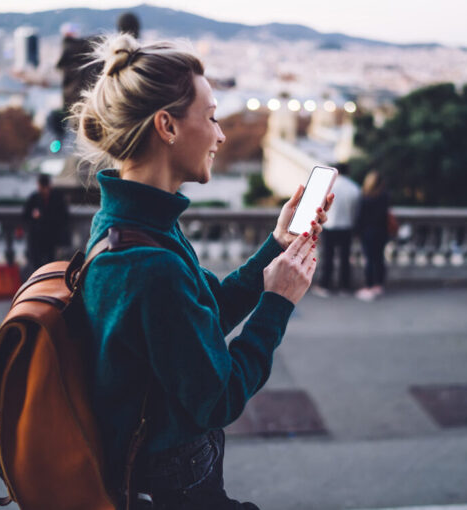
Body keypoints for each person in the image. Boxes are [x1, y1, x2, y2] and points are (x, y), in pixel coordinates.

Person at [72, 34, 333, 510]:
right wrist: (277, 304)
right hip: (174, 483)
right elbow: (218, 400)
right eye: (211, 117)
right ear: (167, 126)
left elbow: (203, 314)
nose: (221, 135)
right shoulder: (150, 264)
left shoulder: (127, 226)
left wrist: (275, 247)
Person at [313, 163, 360, 297]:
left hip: (329, 225)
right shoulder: (354, 188)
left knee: (328, 257)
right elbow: (356, 211)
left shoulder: (329, 187)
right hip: (347, 226)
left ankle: (325, 285)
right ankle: (344, 286)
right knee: (345, 258)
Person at [353, 171, 389, 301]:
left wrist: (357, 232)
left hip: (368, 232)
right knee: (379, 258)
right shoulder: (384, 196)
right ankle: (378, 285)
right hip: (382, 232)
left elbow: (360, 217)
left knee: (369, 260)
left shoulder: (365, 197)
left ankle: (369, 286)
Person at [22, 173, 69, 270]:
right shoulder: (34, 197)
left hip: (51, 237)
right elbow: (25, 215)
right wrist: (33, 215)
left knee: (51, 265)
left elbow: (64, 216)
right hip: (37, 239)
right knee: (37, 266)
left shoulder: (57, 197)